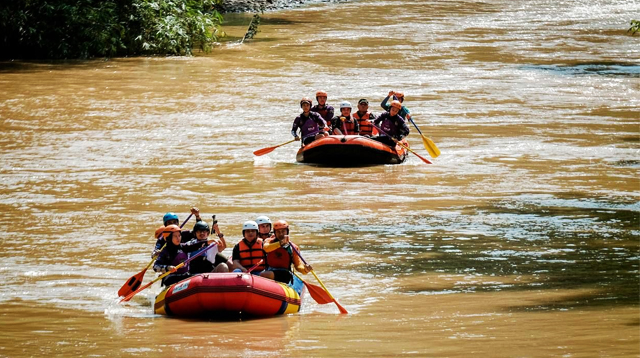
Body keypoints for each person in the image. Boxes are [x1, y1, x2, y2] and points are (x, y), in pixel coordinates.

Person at [153, 224, 218, 286]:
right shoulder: (165, 251)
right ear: (169, 238)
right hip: (171, 278)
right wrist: (168, 268)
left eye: (179, 235)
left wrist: (207, 242)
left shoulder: (183, 247)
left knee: (200, 277)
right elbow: (155, 267)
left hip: (185, 275)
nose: (178, 238)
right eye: (175, 236)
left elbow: (195, 246)